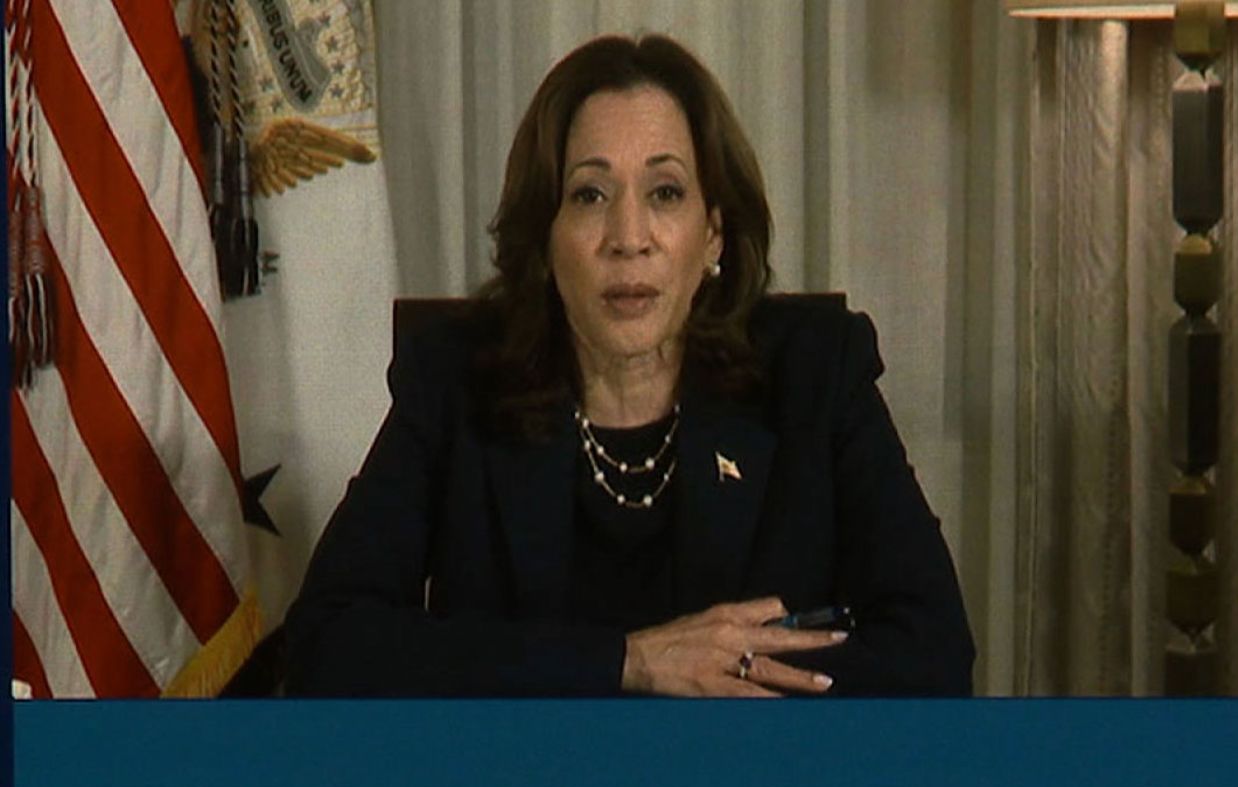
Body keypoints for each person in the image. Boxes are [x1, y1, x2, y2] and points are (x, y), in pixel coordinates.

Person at [284, 34, 973, 698]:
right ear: (545, 237)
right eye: (590, 195)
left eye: (666, 193)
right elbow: (328, 645)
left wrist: (721, 676)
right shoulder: (457, 381)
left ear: (713, 234)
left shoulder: (816, 373)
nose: (628, 238)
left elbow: (934, 651)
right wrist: (626, 662)